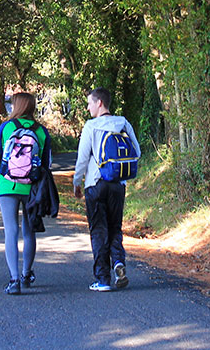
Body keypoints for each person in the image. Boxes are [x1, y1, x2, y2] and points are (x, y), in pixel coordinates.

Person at [73, 88, 141, 292]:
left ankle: (103, 279)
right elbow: (136, 151)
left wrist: (77, 182)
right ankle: (118, 262)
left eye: (90, 103)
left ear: (100, 103)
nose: (88, 107)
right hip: (118, 185)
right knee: (115, 228)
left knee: (98, 230)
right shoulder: (123, 123)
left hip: (96, 184)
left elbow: (83, 158)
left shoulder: (91, 126)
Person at [0, 92, 52, 295]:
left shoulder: (6, 128)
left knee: (11, 231)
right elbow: (47, 164)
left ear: (17, 106)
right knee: (29, 231)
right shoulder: (41, 131)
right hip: (32, 188)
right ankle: (26, 274)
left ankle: (14, 280)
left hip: (7, 186)